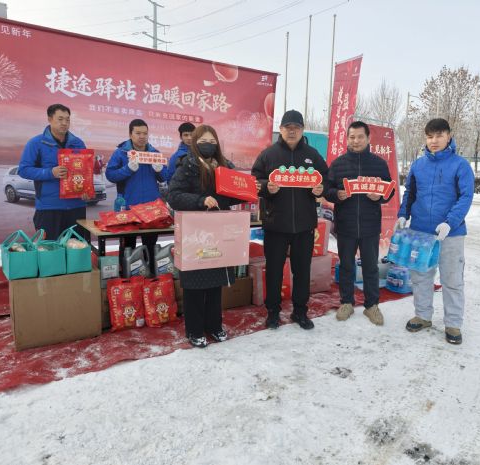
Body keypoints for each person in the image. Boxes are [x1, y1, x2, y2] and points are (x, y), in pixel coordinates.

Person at [167, 124, 248, 348]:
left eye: (212, 142)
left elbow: (232, 195)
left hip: (219, 231)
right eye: (203, 141)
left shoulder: (225, 166)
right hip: (196, 233)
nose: (208, 145)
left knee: (215, 284)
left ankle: (214, 325)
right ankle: (194, 330)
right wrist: (200, 200)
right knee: (194, 285)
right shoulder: (187, 165)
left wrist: (247, 192)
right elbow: (173, 196)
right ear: (195, 143)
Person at [397, 118, 474, 345]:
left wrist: (450, 222)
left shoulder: (460, 165)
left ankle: (453, 324)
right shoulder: (418, 165)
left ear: (449, 136)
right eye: (430, 136)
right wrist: (403, 214)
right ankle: (423, 316)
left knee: (452, 279)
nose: (434, 140)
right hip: (420, 232)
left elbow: (466, 196)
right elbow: (410, 193)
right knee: (421, 277)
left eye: (439, 135)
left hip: (451, 233)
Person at [251, 109, 329, 330]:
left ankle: (300, 312)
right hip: (275, 224)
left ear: (302, 130)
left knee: (302, 271)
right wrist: (266, 187)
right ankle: (273, 312)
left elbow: (326, 179)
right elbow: (254, 181)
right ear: (281, 129)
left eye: (296, 127)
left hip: (304, 225)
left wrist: (321, 188)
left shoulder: (312, 155)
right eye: (288, 127)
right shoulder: (268, 155)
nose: (292, 131)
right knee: (274, 271)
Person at [325, 121, 394, 325]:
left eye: (360, 137)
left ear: (368, 138)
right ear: (347, 139)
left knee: (371, 267)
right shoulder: (338, 164)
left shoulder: (379, 164)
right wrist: (336, 194)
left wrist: (380, 197)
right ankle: (346, 302)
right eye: (352, 137)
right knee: (346, 265)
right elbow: (327, 189)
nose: (356, 141)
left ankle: (372, 306)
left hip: (369, 225)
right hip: (345, 225)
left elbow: (389, 191)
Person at [105, 119, 170, 275]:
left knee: (151, 245)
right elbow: (110, 175)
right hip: (129, 207)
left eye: (145, 133)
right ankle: (127, 278)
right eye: (138, 133)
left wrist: (160, 170)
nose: (142, 136)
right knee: (128, 246)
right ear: (130, 134)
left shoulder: (154, 153)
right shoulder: (121, 153)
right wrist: (127, 169)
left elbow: (165, 177)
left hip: (152, 208)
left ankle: (152, 279)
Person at [19, 104, 89, 240]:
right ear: (50, 119)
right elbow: (24, 170)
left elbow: (85, 171)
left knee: (77, 248)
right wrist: (51, 172)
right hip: (49, 207)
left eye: (67, 120)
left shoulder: (78, 143)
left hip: (76, 207)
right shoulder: (36, 143)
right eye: (60, 119)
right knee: (50, 249)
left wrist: (86, 189)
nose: (64, 123)